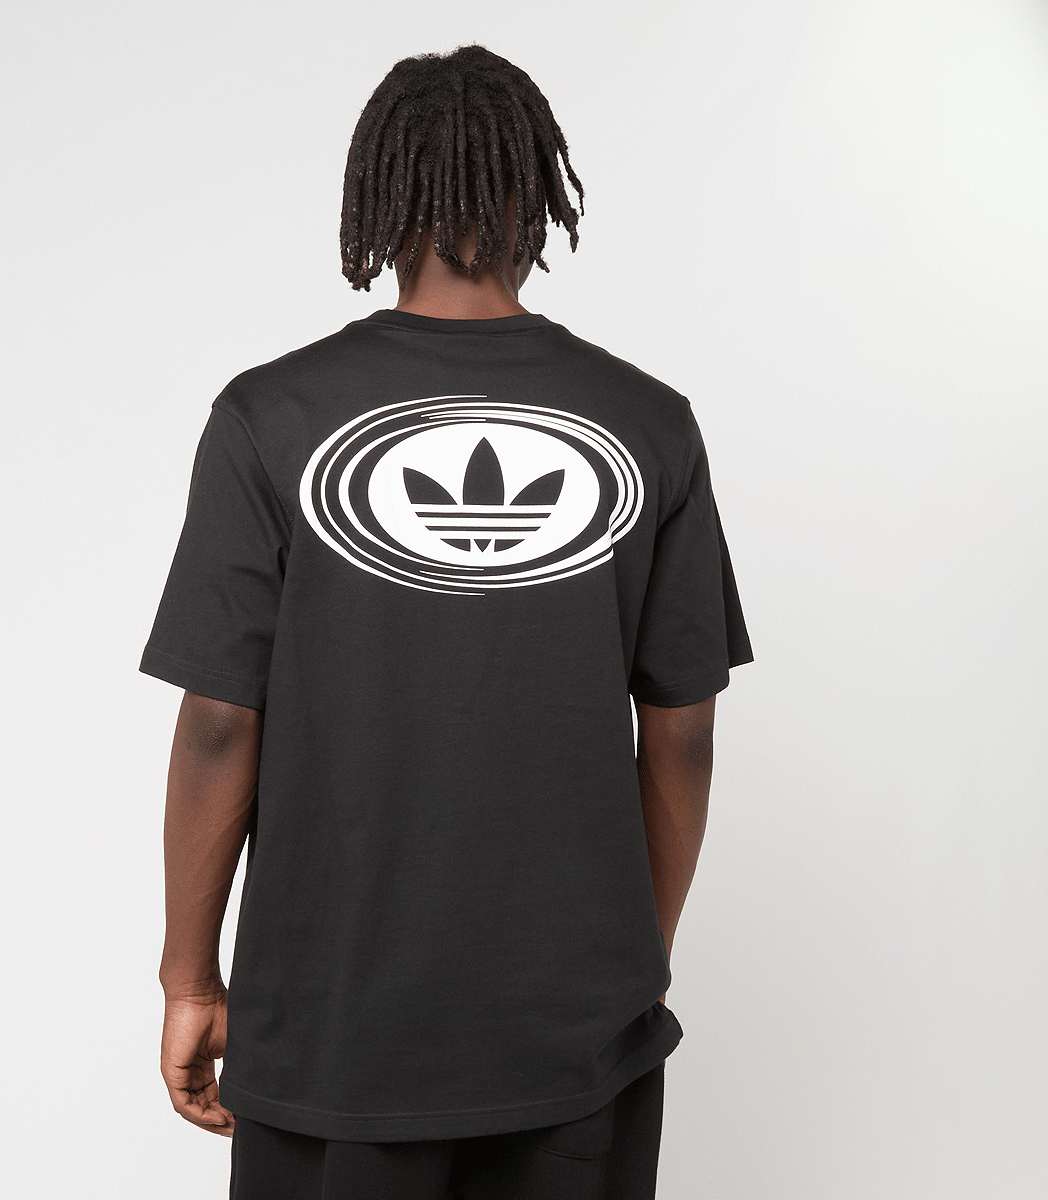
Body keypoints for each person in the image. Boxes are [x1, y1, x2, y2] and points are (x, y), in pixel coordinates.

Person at [140, 44, 752, 1199]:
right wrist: (630, 964)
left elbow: (220, 722)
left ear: (384, 199)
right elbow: (683, 734)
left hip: (331, 1032)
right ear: (535, 195)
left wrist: (188, 977)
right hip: (577, 1037)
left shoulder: (271, 416)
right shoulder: (648, 422)